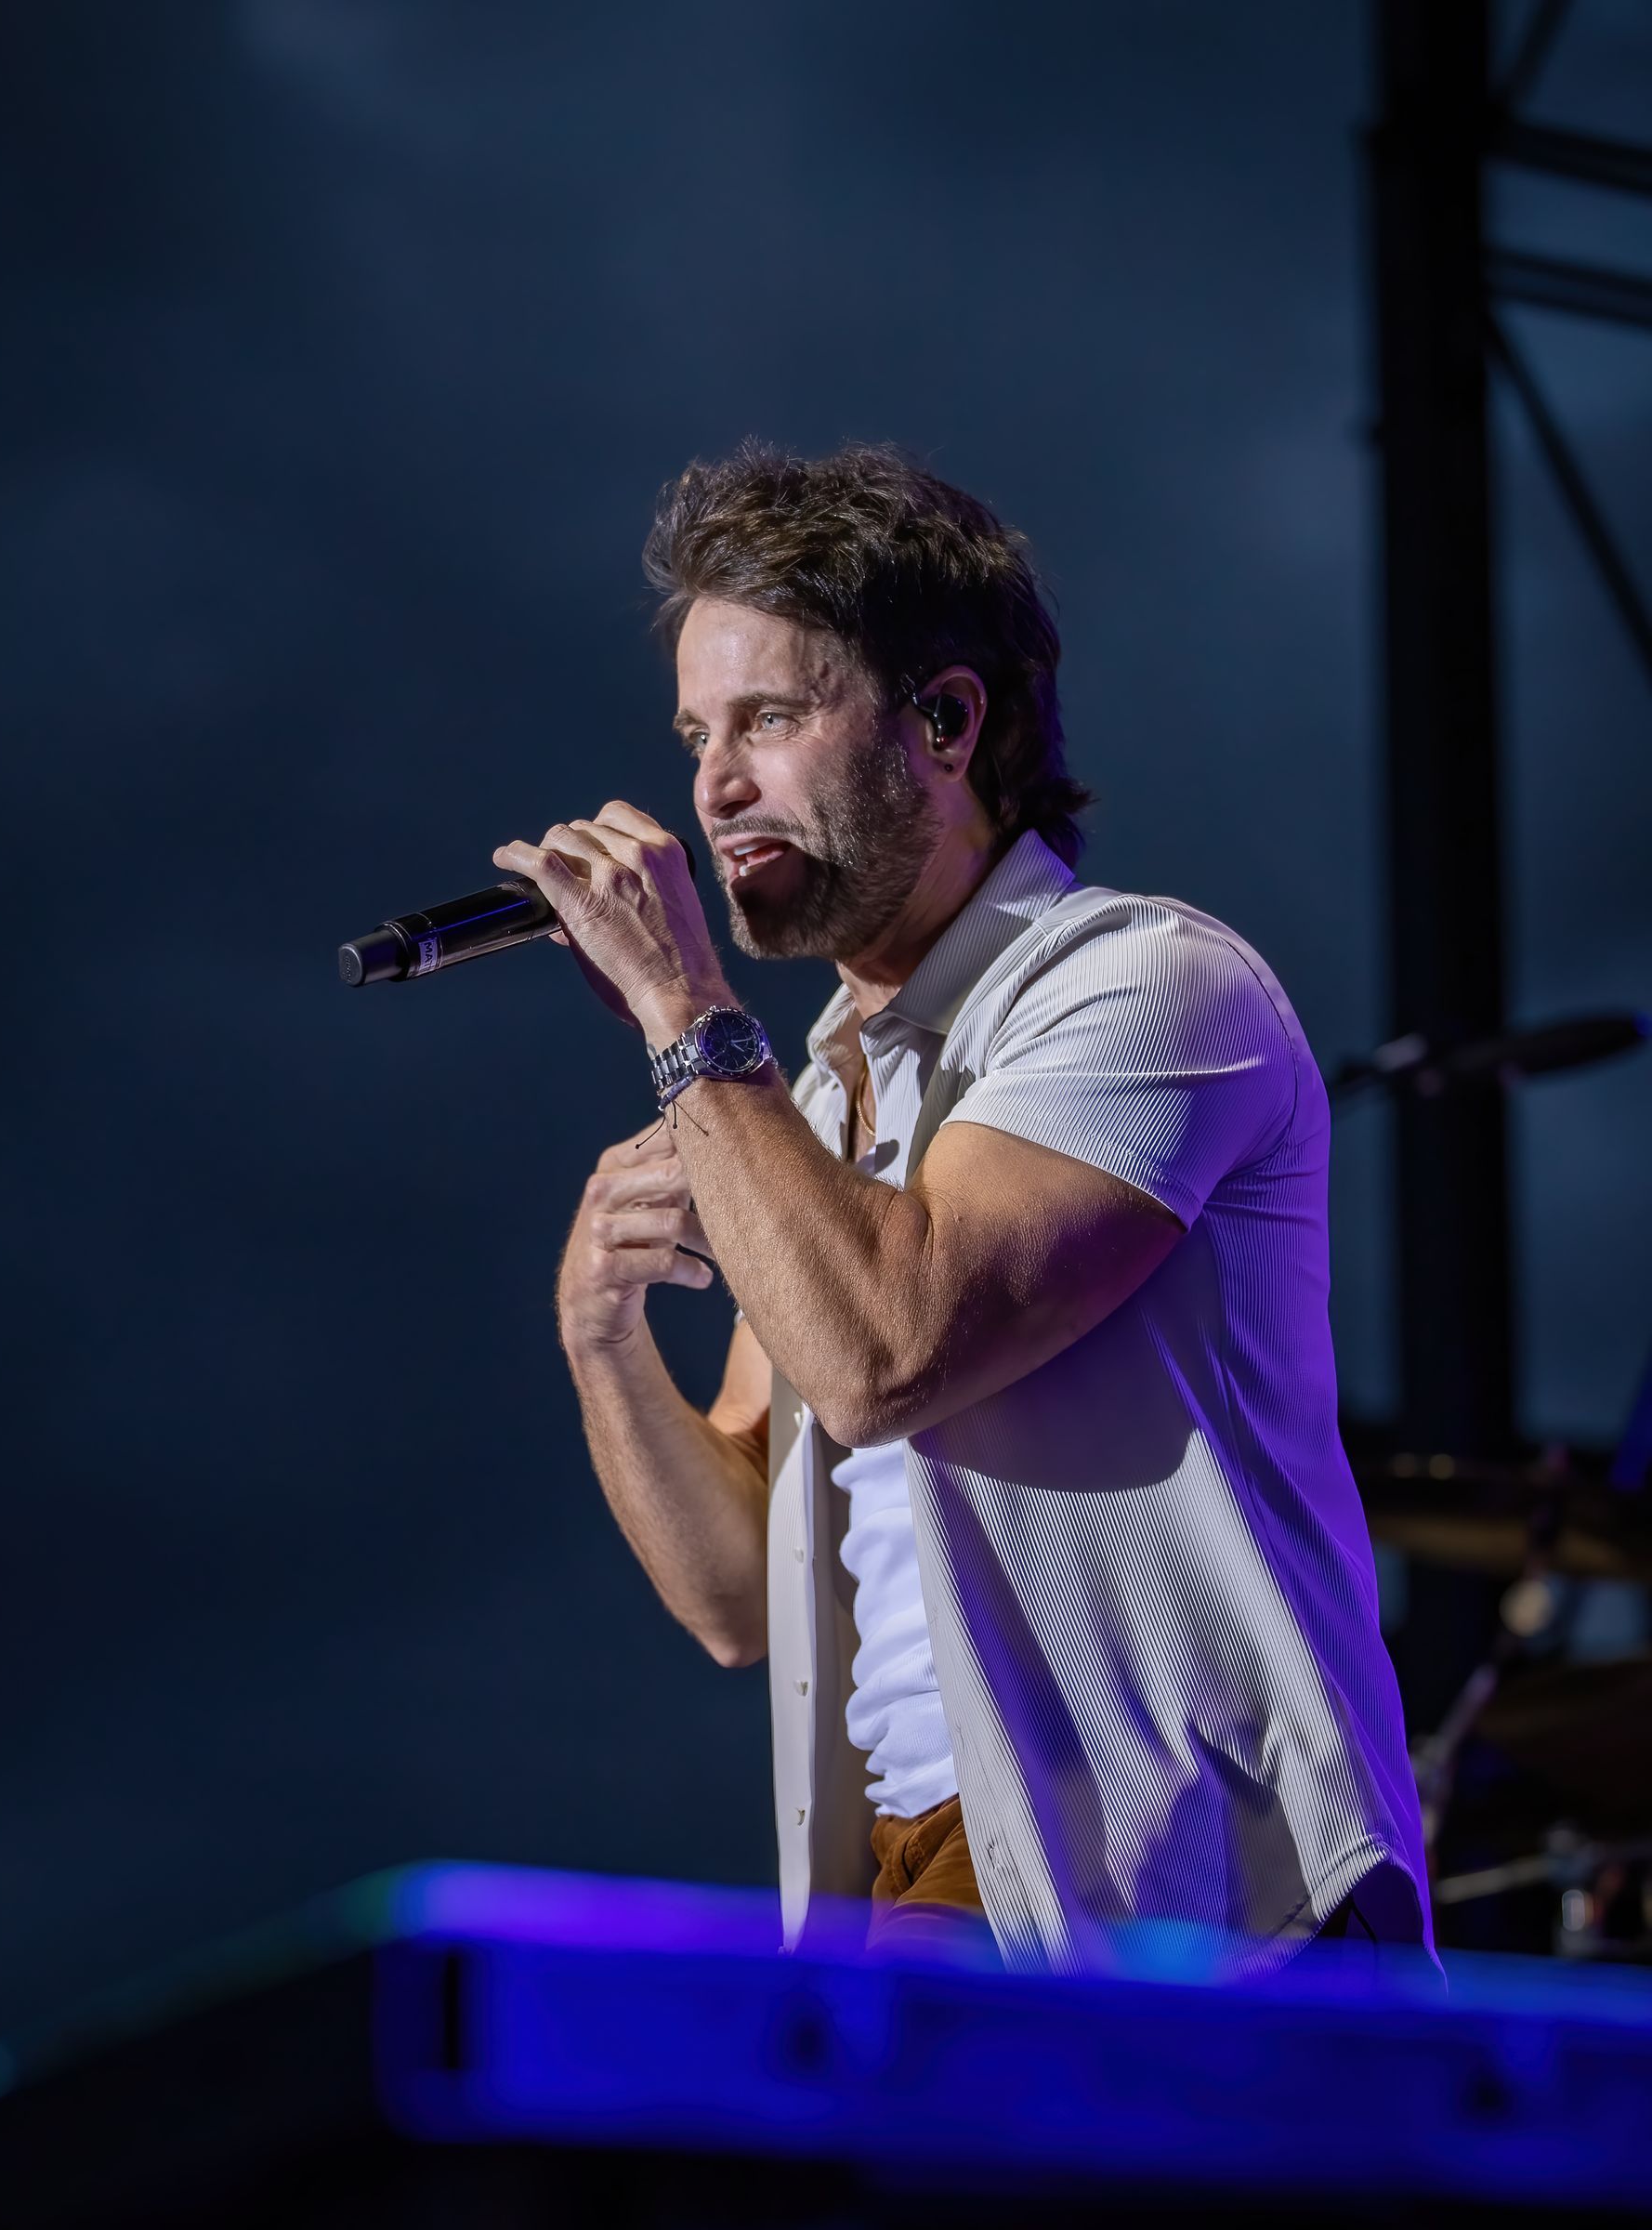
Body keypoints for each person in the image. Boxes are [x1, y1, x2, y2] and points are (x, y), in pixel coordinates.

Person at [492, 440, 1435, 1979]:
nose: (713, 786)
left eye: (769, 721)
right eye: (694, 734)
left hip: (1177, 1881)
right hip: (924, 1868)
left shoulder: (1141, 984)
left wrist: (681, 1002)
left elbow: (887, 1350)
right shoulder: (803, 1107)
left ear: (944, 721)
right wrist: (599, 1335)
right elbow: (743, 1597)